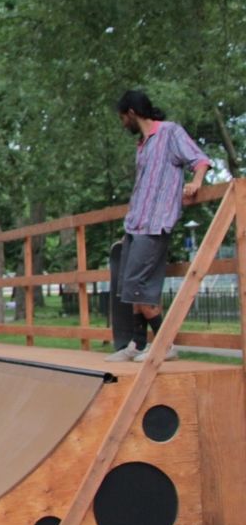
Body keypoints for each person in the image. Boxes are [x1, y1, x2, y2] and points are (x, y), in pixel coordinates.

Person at [106, 90, 210, 363]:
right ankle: (138, 344)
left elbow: (199, 160)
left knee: (140, 284)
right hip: (136, 222)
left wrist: (196, 182)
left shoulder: (169, 133)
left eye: (121, 118)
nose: (122, 124)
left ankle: (165, 344)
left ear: (130, 113)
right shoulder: (143, 144)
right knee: (129, 286)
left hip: (155, 222)